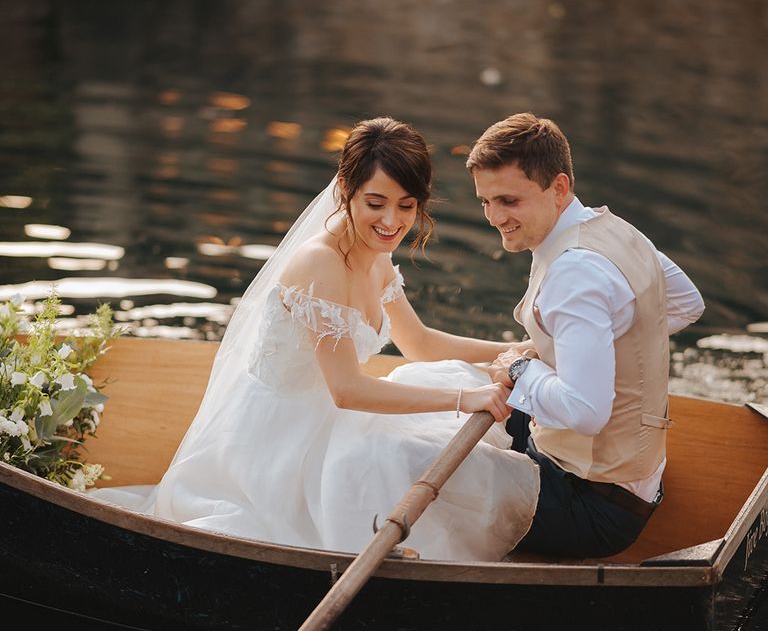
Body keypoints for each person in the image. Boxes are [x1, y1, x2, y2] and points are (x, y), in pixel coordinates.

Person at [92, 117, 540, 562]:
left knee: (442, 381)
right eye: (376, 203)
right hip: (281, 439)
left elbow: (419, 343)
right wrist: (468, 398)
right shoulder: (320, 264)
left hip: (332, 414)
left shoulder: (374, 252)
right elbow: (346, 391)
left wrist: (519, 349)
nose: (392, 221)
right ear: (346, 188)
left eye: (406, 206)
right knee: (396, 450)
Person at [467, 112, 705, 558]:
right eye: (485, 201)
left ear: (558, 188)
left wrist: (520, 366)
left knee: (425, 479)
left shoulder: (575, 272)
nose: (494, 217)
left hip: (592, 503)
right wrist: (598, 351)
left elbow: (585, 412)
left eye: (509, 201)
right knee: (454, 401)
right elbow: (686, 303)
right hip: (627, 479)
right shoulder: (613, 230)